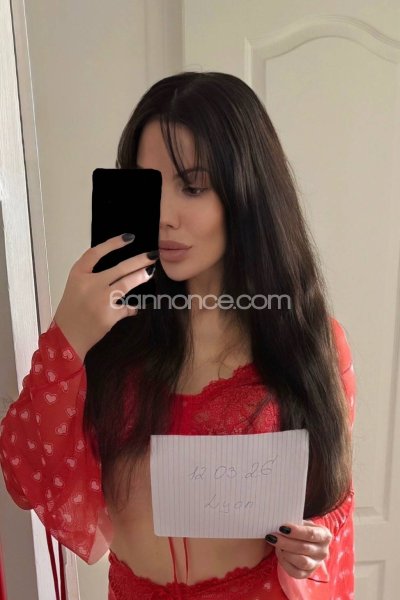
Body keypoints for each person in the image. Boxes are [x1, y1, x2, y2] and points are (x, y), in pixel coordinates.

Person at [0, 71, 356, 600]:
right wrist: (67, 338)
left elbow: (332, 498)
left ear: (246, 194)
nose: (164, 216)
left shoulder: (306, 339)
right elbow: (25, 473)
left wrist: (311, 543)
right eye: (149, 185)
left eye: (192, 186)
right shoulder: (104, 332)